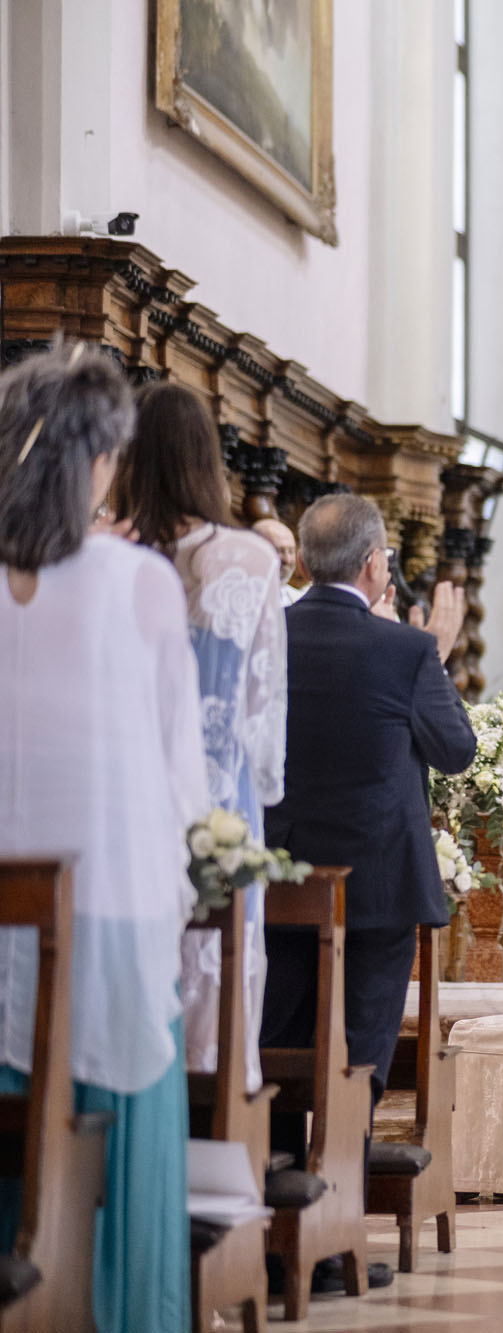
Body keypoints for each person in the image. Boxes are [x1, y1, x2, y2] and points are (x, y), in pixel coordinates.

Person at [0, 345, 208, 1332]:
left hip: (5, 921)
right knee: (122, 1151)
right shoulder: (138, 580)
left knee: (14, 1153)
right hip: (116, 908)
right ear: (94, 460)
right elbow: (180, 767)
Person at [262, 492, 474, 1291]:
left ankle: (279, 1234)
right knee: (356, 1063)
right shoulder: (403, 651)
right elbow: (454, 750)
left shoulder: (267, 635)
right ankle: (336, 1234)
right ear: (377, 564)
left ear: (302, 562)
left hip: (283, 886)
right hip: (378, 893)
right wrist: (436, 652)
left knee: (276, 1055)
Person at [110, 382, 288, 1097]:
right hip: (219, 801)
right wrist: (265, 784)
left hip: (125, 799)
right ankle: (215, 1137)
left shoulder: (109, 554)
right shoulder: (249, 559)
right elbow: (261, 704)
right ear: (207, 462)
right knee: (217, 979)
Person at [252, 517, 304, 605]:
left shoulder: (299, 599)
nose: (287, 559)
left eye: (291, 551)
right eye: (279, 551)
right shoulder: (243, 598)